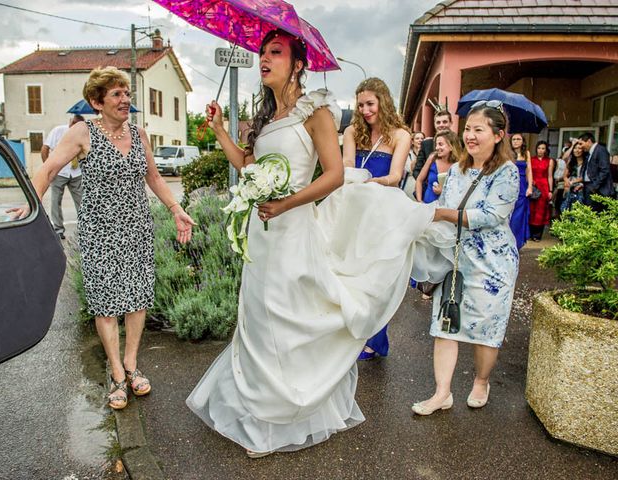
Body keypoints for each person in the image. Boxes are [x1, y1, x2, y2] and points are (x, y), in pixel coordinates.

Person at [187, 29, 454, 457]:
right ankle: (256, 410)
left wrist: (286, 203)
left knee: (288, 315)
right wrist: (220, 130)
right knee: (257, 317)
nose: (264, 60)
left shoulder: (318, 111)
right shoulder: (267, 118)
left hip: (294, 229)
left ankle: (290, 408)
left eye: (274, 52)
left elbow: (331, 175)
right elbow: (245, 163)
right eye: (261, 53)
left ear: (297, 64)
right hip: (263, 231)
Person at [9, 67, 196, 410]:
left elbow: (153, 177)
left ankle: (131, 364)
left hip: (137, 229)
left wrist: (175, 208)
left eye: (127, 93)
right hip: (100, 232)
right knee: (107, 303)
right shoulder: (83, 132)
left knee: (137, 299)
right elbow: (49, 169)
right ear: (97, 101)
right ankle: (116, 374)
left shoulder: (139, 133)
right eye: (117, 94)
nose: (125, 99)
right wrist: (30, 202)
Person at [411, 100, 520, 415]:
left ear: (498, 135)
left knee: (486, 329)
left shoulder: (507, 172)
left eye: (479, 129)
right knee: (445, 325)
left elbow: (490, 215)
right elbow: (445, 205)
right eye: (468, 129)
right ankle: (442, 393)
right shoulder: (457, 169)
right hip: (456, 260)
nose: (470, 136)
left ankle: (481, 380)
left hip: (492, 265)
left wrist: (440, 213)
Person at [342, 77, 412, 360]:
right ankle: (351, 333)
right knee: (351, 272)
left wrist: (370, 183)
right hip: (353, 208)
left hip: (382, 210)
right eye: (360, 105)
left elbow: (395, 177)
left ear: (383, 101)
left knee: (376, 276)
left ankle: (375, 338)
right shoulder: (351, 132)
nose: (365, 110)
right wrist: (352, 178)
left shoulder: (400, 135)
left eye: (370, 103)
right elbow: (347, 164)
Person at [41, 115, 85, 239]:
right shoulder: (58, 131)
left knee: (82, 201)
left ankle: (85, 228)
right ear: (70, 123)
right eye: (74, 124)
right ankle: (58, 229)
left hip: (76, 173)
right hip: (59, 172)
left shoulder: (83, 134)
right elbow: (44, 149)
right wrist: (48, 167)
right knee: (56, 201)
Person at [415, 130, 461, 204]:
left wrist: (443, 192)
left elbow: (461, 191)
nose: (436, 147)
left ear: (451, 147)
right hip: (427, 207)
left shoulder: (459, 165)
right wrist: (420, 201)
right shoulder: (432, 158)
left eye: (440, 144)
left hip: (447, 209)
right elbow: (419, 180)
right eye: (436, 144)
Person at [578, 132, 615, 211]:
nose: (580, 147)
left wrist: (594, 186)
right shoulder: (591, 152)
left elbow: (604, 170)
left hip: (599, 190)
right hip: (589, 187)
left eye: (581, 143)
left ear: (588, 141)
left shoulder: (600, 150)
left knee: (595, 215)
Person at [412, 110, 453, 180]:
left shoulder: (459, 143)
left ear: (451, 123)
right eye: (438, 122)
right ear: (434, 124)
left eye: (445, 122)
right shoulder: (426, 144)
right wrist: (428, 184)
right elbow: (417, 171)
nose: (441, 125)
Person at [509, 133, 533, 250]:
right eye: (514, 139)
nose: (516, 141)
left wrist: (530, 187)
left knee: (519, 215)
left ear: (523, 141)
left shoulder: (526, 153)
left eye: (518, 139)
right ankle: (509, 240)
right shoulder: (508, 153)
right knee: (511, 214)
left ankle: (517, 242)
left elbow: (529, 171)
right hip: (511, 184)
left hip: (523, 184)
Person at [529, 140, 554, 241]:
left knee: (541, 211)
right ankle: (530, 233)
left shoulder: (549, 161)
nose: (540, 150)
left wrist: (550, 190)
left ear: (546, 150)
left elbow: (550, 176)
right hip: (533, 185)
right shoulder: (531, 159)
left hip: (544, 186)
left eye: (543, 148)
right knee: (532, 210)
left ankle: (538, 235)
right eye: (539, 148)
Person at [561, 140, 586, 211]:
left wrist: (575, 181)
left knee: (578, 210)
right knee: (566, 209)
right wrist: (572, 145)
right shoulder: (571, 161)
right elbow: (565, 176)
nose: (577, 150)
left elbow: (587, 176)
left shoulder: (587, 162)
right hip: (570, 188)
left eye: (579, 148)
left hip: (581, 189)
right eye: (575, 148)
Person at [401, 131, 424, 199]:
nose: (420, 140)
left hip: (423, 183)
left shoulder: (426, 153)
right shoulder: (408, 154)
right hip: (410, 182)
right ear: (413, 142)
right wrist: (419, 155)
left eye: (422, 138)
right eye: (417, 138)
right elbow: (410, 169)